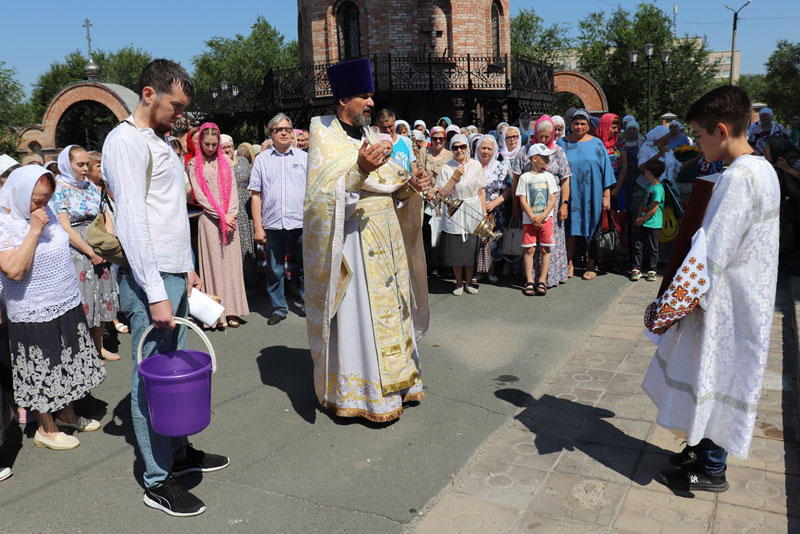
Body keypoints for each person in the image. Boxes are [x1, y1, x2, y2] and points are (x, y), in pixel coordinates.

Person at [103, 59, 229, 517]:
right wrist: (155, 290)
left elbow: (171, 213)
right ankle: (157, 480)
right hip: (148, 280)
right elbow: (133, 219)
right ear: (149, 93)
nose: (180, 115)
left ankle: (177, 452)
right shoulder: (125, 141)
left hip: (171, 272)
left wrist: (188, 267)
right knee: (150, 379)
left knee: (172, 371)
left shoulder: (158, 140)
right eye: (175, 105)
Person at [647, 85, 780, 494]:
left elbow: (711, 253)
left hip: (726, 301)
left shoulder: (737, 180)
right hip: (741, 296)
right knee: (705, 373)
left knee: (718, 377)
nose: (695, 144)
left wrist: (677, 301)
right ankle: (698, 447)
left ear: (721, 131)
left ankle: (711, 467)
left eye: (699, 136)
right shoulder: (762, 169)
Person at [304, 58, 428, 422]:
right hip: (354, 243)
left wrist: (410, 185)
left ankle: (402, 384)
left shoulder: (373, 136)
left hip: (386, 236)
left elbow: (390, 184)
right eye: (364, 96)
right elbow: (318, 201)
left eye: (371, 96)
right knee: (362, 315)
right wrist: (359, 170)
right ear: (344, 99)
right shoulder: (324, 136)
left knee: (394, 309)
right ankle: (366, 394)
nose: (371, 103)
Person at [0, 165, 105, 450]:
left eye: (47, 198)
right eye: (37, 200)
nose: (42, 205)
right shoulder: (4, 222)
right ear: (21, 195)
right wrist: (34, 230)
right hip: (32, 309)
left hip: (64, 301)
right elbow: (13, 270)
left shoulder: (47, 212)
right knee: (41, 367)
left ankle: (67, 415)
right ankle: (46, 428)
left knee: (66, 360)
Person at [50, 145, 120, 363]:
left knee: (101, 298)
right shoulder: (58, 189)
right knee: (84, 300)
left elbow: (105, 215)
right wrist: (91, 252)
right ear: (67, 164)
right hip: (78, 252)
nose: (84, 168)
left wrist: (108, 245)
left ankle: (99, 347)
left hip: (100, 245)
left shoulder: (91, 187)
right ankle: (84, 351)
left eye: (86, 164)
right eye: (79, 164)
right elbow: (66, 228)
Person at [187, 124, 250, 329]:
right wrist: (222, 216)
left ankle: (232, 311)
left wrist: (231, 214)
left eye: (215, 144)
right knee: (214, 266)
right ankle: (216, 314)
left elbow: (233, 191)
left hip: (229, 221)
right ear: (200, 143)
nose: (212, 148)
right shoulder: (194, 164)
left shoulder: (225, 163)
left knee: (231, 267)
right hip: (210, 221)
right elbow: (201, 196)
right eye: (207, 144)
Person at [249, 112, 307, 325]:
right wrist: (258, 226)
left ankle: (308, 304)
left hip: (301, 222)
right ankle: (279, 308)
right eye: (278, 129)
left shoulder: (304, 158)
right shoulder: (262, 161)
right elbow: (255, 195)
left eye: (287, 129)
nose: (283, 132)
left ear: (292, 133)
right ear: (271, 134)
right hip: (273, 224)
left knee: (305, 267)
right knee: (274, 268)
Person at [557, 109, 616, 280]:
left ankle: (591, 265)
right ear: (571, 125)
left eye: (583, 123)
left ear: (588, 125)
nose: (579, 126)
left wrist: (606, 195)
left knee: (592, 229)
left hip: (592, 193)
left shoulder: (597, 144)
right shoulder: (562, 143)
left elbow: (606, 170)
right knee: (569, 229)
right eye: (576, 123)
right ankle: (568, 263)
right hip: (569, 193)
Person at [436, 134, 486, 295]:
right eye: (455, 147)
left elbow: (481, 191)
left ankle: (469, 281)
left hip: (472, 208)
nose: (459, 150)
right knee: (456, 247)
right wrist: (454, 177)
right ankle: (458, 282)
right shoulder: (446, 167)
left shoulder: (476, 166)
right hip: (454, 209)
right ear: (451, 149)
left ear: (467, 148)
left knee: (470, 247)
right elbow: (442, 193)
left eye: (462, 147)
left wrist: (484, 213)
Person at [517, 144, 559, 296]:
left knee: (545, 249)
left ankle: (542, 280)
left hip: (546, 219)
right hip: (529, 220)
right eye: (545, 157)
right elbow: (522, 198)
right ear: (534, 159)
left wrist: (542, 216)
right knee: (529, 249)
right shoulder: (525, 177)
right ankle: (529, 280)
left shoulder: (549, 177)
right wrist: (533, 216)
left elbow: (553, 199)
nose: (548, 159)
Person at [474, 134, 511, 281]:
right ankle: (477, 271)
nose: (486, 151)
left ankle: (491, 271)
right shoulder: (471, 165)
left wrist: (492, 204)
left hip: (495, 210)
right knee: (476, 240)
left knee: (493, 241)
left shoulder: (500, 167)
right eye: (483, 148)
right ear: (477, 149)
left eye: (489, 148)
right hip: (475, 210)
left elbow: (507, 191)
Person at [221, 134, 255, 286]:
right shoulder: (220, 164)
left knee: (249, 242)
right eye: (224, 147)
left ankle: (251, 279)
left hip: (246, 203)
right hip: (231, 206)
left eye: (229, 146)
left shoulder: (242, 160)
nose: (227, 150)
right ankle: (238, 281)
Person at [418, 126, 452, 275]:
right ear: (430, 139)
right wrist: (427, 192)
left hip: (443, 199)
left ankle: (444, 265)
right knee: (427, 232)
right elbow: (418, 173)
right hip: (426, 198)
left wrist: (439, 192)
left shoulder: (450, 155)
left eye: (441, 139)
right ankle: (430, 265)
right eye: (435, 139)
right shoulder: (423, 153)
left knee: (443, 232)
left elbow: (451, 177)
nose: (438, 141)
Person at [630, 159, 665, 282]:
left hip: (653, 223)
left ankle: (652, 270)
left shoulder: (658, 189)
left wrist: (642, 219)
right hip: (643, 221)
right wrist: (639, 217)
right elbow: (643, 204)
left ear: (649, 172)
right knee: (638, 245)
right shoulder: (647, 186)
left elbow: (654, 209)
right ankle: (637, 267)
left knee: (652, 247)